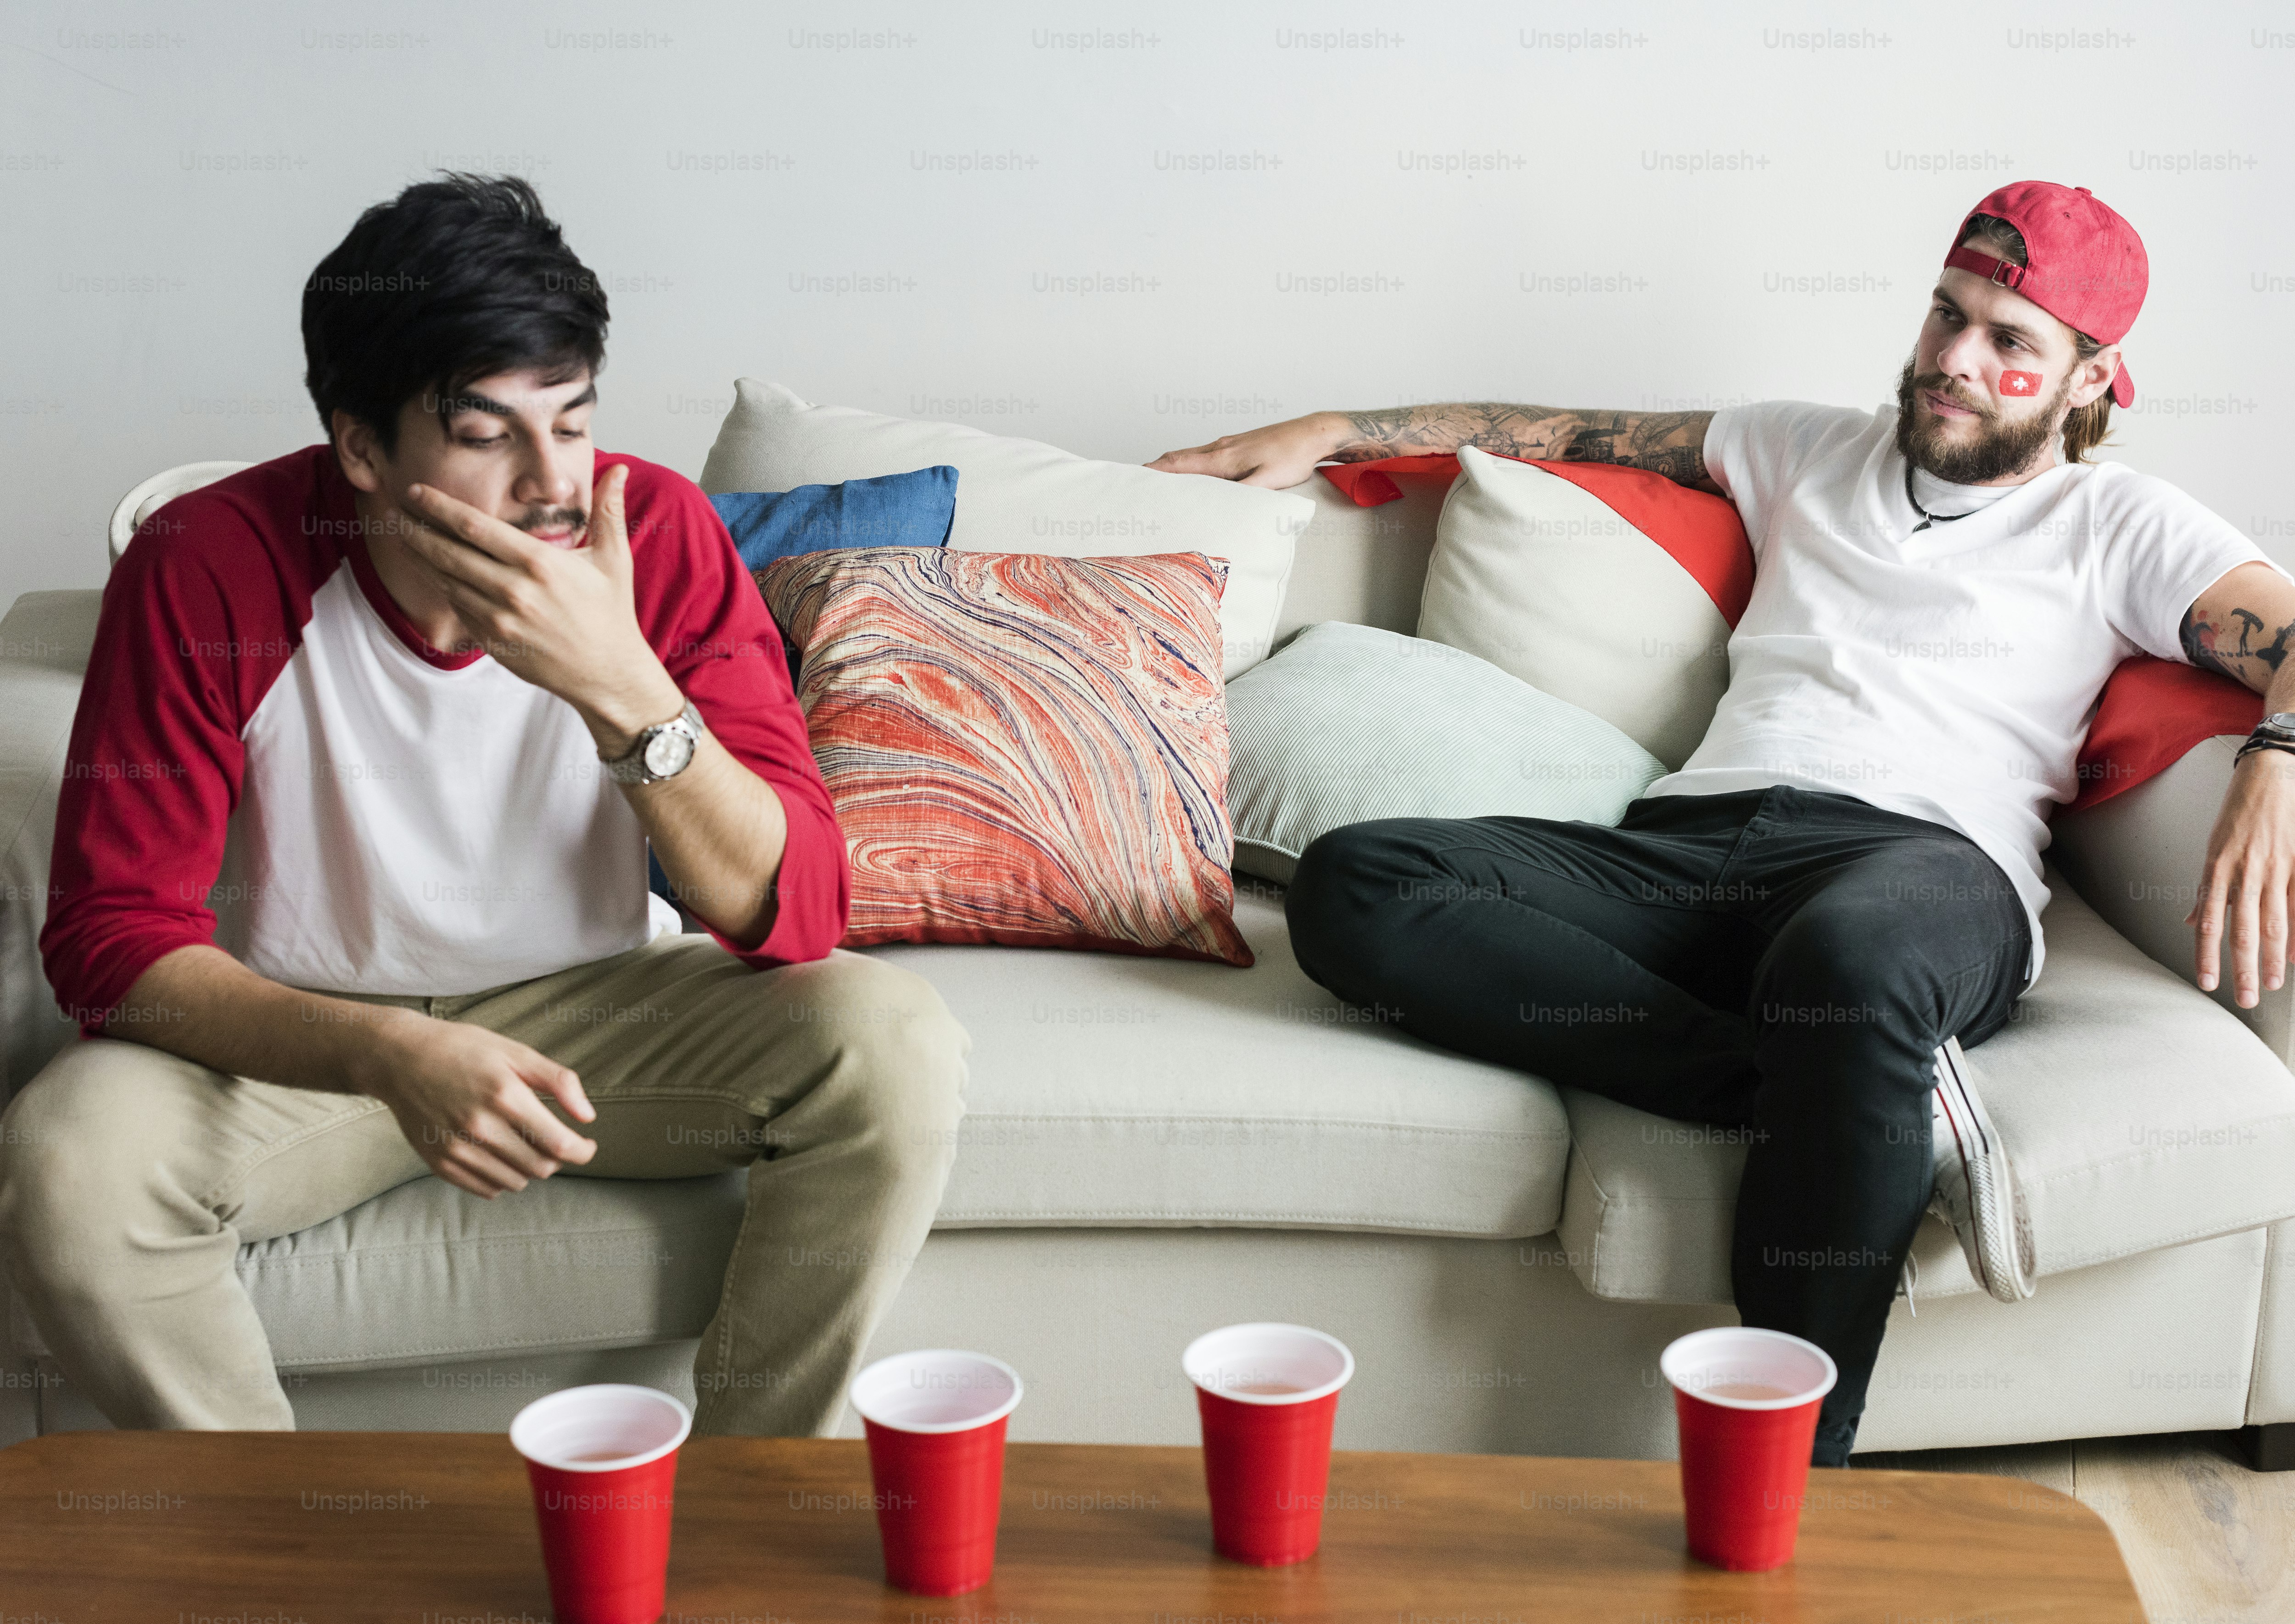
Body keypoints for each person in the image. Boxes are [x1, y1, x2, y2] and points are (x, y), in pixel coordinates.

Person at [1151, 180, 2295, 1465]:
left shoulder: (2115, 520)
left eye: (2009, 341)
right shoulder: (1809, 446)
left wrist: (2276, 758)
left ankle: (1792, 1478)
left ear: (2093, 381)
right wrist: (1337, 427)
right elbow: (1571, 429)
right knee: (1362, 881)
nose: (1954, 362)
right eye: (1946, 314)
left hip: (1918, 870)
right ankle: (1823, 1081)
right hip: (1690, 853)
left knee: (1850, 969)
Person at [0, 174, 970, 1434]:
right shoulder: (210, 560)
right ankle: (279, 1550)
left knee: (891, 1042)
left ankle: (744, 1516)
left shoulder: (658, 536)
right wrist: (386, 1051)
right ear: (360, 446)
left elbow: (797, 914)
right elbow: (110, 945)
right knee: (68, 1159)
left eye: (571, 423)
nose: (552, 483)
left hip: (596, 1011)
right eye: (486, 436)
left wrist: (626, 690)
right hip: (305, 1036)